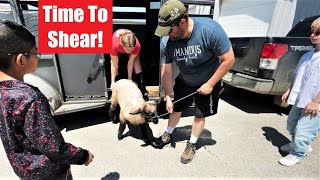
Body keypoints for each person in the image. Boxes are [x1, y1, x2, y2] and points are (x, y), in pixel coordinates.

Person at [0, 19, 94, 179]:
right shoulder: (29, 98)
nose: (38, 56)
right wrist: (83, 155)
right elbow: (54, 147)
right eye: (36, 53)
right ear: (21, 60)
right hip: (49, 174)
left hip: (25, 172)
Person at [154, 0, 235, 164]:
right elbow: (167, 71)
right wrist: (168, 96)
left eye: (169, 30)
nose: (166, 35)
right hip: (185, 79)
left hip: (208, 81)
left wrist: (211, 84)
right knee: (175, 108)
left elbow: (229, 59)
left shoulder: (209, 30)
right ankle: (168, 133)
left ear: (181, 22)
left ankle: (192, 144)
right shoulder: (167, 42)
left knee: (199, 114)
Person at [278, 17, 320, 167]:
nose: (313, 35)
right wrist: (290, 90)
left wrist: (316, 102)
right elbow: (298, 74)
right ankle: (297, 144)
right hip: (300, 99)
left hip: (314, 104)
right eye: (312, 32)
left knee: (304, 131)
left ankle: (298, 153)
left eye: (318, 32)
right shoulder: (307, 55)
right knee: (292, 124)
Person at [110, 29, 148, 98]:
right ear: (122, 45)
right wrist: (112, 82)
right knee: (116, 63)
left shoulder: (137, 46)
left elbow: (130, 63)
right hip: (117, 46)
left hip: (130, 45)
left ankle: (141, 84)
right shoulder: (114, 45)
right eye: (128, 50)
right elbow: (114, 64)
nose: (129, 52)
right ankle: (115, 82)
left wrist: (129, 80)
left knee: (136, 61)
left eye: (131, 50)